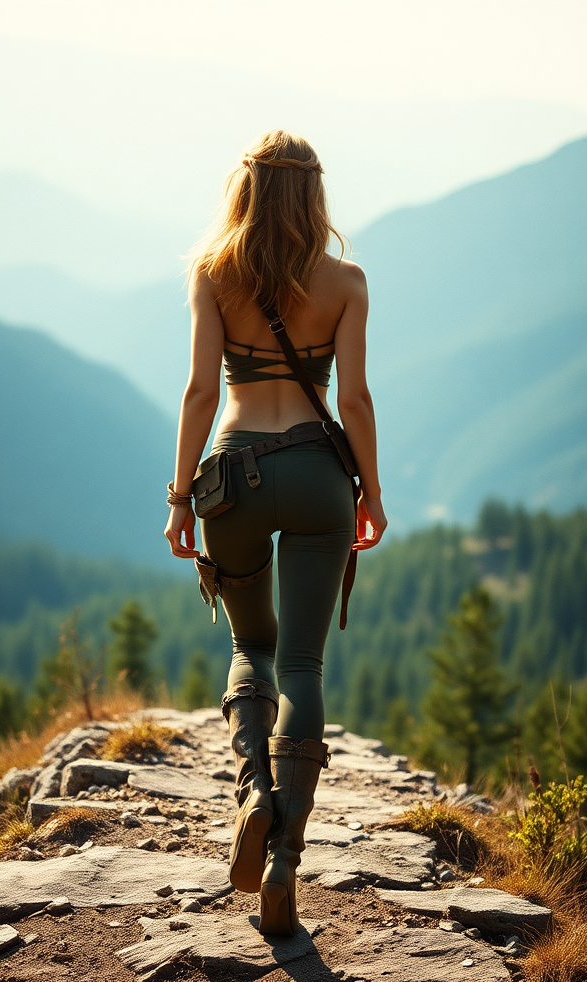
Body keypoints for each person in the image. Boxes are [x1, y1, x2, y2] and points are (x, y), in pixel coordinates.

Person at [164, 130, 386, 936]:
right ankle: (286, 857)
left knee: (251, 648)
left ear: (247, 188)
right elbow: (353, 401)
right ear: (314, 193)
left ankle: (253, 795)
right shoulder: (347, 282)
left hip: (232, 476)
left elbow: (198, 392)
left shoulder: (212, 274)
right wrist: (374, 491)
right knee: (303, 662)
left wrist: (181, 498)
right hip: (321, 480)